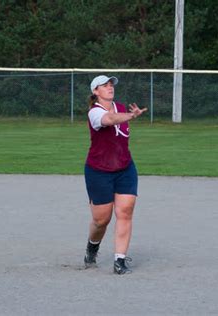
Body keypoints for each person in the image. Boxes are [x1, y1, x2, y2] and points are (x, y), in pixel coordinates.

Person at [83, 75, 147, 275]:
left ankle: (119, 261)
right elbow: (109, 120)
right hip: (99, 171)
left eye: (111, 84)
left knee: (125, 211)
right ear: (95, 91)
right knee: (102, 220)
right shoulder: (94, 112)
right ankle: (92, 247)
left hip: (125, 168)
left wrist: (127, 114)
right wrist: (131, 116)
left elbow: (118, 121)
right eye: (104, 85)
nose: (110, 87)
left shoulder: (121, 107)